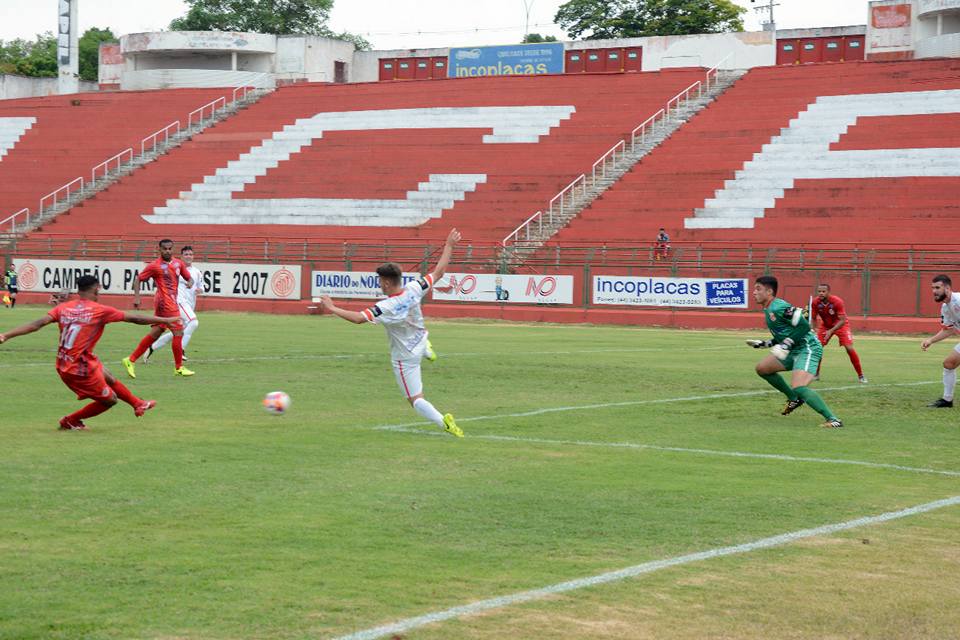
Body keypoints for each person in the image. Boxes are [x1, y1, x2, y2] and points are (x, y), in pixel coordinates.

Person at [320, 228, 464, 438]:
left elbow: (359, 318)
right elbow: (439, 272)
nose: (379, 284)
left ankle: (444, 422)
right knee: (420, 334)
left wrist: (332, 308)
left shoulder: (386, 306)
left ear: (386, 282)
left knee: (415, 400)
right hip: (419, 337)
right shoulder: (415, 287)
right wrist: (449, 245)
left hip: (405, 358)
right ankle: (426, 346)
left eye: (380, 281)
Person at [0, 275, 176, 430]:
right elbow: (135, 318)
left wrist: (6, 335)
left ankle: (138, 404)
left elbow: (36, 324)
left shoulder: (64, 308)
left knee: (108, 376)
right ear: (96, 289)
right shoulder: (99, 310)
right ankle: (70, 420)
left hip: (68, 361)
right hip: (77, 369)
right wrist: (166, 320)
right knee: (110, 400)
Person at [746, 275, 843, 428]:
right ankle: (794, 398)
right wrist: (765, 344)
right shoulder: (768, 309)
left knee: (799, 386)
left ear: (769, 291)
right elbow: (784, 334)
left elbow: (804, 326)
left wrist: (787, 344)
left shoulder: (778, 306)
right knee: (762, 369)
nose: (754, 292)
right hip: (793, 348)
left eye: (758, 289)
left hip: (807, 348)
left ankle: (833, 419)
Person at [122, 239, 195, 378]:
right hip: (165, 303)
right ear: (159, 250)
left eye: (169, 249)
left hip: (170, 302)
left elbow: (188, 278)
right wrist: (137, 298)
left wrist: (191, 283)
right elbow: (137, 280)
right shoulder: (154, 266)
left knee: (156, 333)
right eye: (164, 249)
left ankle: (130, 360)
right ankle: (179, 367)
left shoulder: (178, 263)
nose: (167, 251)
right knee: (178, 332)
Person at [144, 245, 204, 363]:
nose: (189, 257)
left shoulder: (197, 272)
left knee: (179, 331)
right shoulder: (175, 268)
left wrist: (199, 290)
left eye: (191, 254)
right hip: (178, 302)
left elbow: (201, 287)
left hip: (189, 305)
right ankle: (180, 350)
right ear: (181, 256)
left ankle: (152, 347)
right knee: (193, 322)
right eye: (186, 254)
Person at [813, 284, 866, 383]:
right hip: (825, 326)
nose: (821, 293)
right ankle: (816, 374)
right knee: (817, 347)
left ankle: (861, 375)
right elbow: (813, 318)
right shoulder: (815, 302)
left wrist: (831, 331)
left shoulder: (837, 301)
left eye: (823, 291)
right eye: (819, 291)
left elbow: (842, 320)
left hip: (841, 325)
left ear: (828, 292)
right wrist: (814, 329)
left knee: (849, 348)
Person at [921, 274, 960, 408]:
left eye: (937, 287)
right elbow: (949, 330)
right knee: (949, 364)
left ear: (948, 288)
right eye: (932, 288)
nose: (934, 291)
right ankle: (947, 400)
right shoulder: (945, 308)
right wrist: (931, 340)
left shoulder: (959, 300)